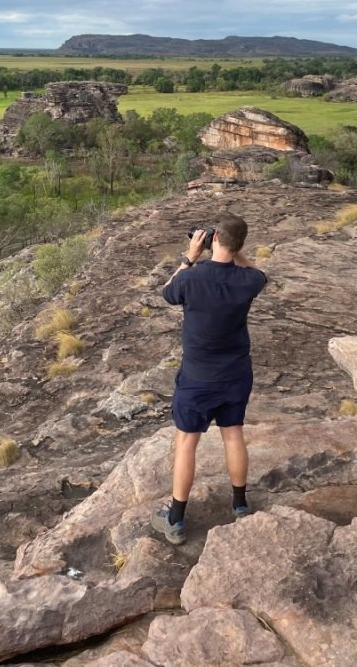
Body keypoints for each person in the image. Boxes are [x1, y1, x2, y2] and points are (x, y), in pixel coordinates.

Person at [151, 211, 267, 545]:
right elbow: (256, 270)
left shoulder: (191, 278)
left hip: (197, 377)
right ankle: (241, 504)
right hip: (235, 374)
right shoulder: (250, 281)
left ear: (213, 239)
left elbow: (167, 292)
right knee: (233, 435)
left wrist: (190, 256)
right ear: (241, 244)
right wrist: (236, 248)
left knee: (187, 442)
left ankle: (175, 519)